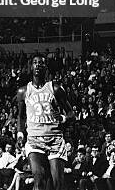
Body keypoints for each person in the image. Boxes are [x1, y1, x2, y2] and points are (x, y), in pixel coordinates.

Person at [16, 55, 75, 190]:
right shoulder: (23, 91)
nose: (38, 65)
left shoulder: (55, 88)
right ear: (31, 67)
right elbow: (20, 116)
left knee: (57, 184)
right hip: (34, 140)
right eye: (35, 63)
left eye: (41, 63)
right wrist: (20, 135)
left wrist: (63, 118)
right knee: (39, 180)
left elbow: (72, 114)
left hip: (55, 140)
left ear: (46, 67)